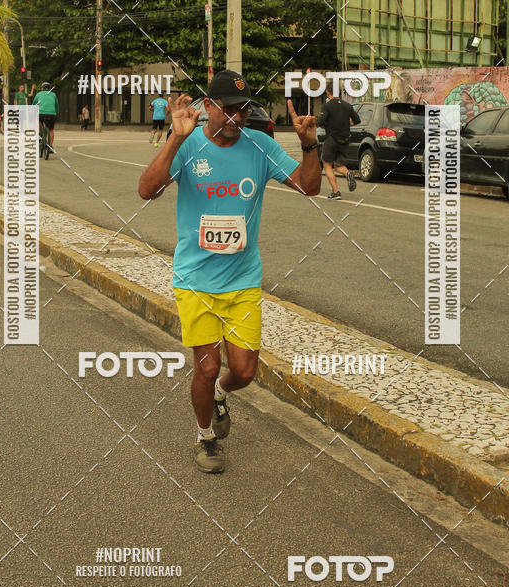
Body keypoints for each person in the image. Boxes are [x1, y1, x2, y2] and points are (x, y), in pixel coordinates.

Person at [138, 70, 321, 474]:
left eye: (244, 109)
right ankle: (206, 437)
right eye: (230, 109)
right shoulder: (189, 146)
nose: (238, 117)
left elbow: (309, 186)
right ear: (209, 107)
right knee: (206, 367)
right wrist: (175, 139)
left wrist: (310, 145)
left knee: (243, 371)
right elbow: (147, 190)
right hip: (195, 281)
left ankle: (221, 393)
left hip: (242, 281)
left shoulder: (260, 146)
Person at [317, 86, 361, 199]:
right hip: (345, 140)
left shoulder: (326, 106)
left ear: (328, 92)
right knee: (339, 166)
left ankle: (336, 192)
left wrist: (326, 126)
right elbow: (357, 120)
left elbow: (320, 122)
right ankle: (348, 173)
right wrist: (347, 124)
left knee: (327, 165)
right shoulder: (348, 106)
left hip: (331, 139)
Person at [32, 81, 59, 153]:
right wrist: (56, 113)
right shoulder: (54, 95)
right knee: (51, 130)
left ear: (42, 88)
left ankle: (39, 135)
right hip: (52, 114)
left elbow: (34, 104)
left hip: (41, 113)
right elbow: (57, 105)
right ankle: (50, 146)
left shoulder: (38, 94)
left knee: (38, 121)